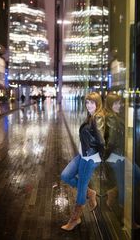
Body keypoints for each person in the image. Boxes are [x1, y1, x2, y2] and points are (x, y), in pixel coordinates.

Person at [60, 92, 106, 231]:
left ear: (98, 103)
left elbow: (102, 141)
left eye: (92, 103)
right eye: (87, 102)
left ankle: (75, 219)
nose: (89, 105)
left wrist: (99, 159)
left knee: (81, 187)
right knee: (65, 175)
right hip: (83, 155)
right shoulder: (91, 116)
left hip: (89, 158)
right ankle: (90, 193)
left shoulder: (97, 117)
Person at [104, 93, 140, 228]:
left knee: (139, 175)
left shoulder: (116, 117)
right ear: (110, 104)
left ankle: (112, 192)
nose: (119, 105)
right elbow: (111, 142)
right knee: (124, 188)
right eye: (115, 103)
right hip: (116, 157)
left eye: (119, 103)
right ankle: (126, 219)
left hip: (121, 155)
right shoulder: (111, 118)